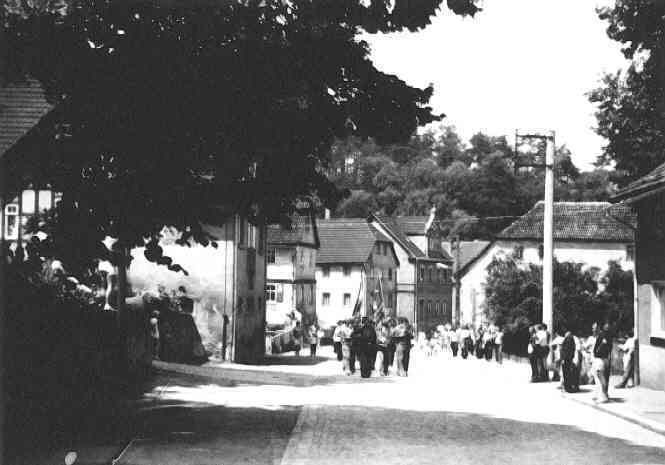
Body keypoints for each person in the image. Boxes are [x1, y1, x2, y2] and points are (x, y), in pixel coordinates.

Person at [592, 322, 612, 403]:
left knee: (601, 378)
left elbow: (598, 349)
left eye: (594, 328)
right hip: (605, 358)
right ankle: (604, 394)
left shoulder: (602, 336)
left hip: (599, 359)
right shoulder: (609, 337)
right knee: (602, 377)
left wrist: (597, 352)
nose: (593, 329)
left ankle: (603, 396)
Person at [560, 328, 579, 393]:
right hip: (569, 359)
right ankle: (569, 387)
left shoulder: (567, 341)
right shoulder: (572, 341)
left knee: (566, 374)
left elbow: (564, 351)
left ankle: (567, 387)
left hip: (566, 359)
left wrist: (563, 359)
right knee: (569, 373)